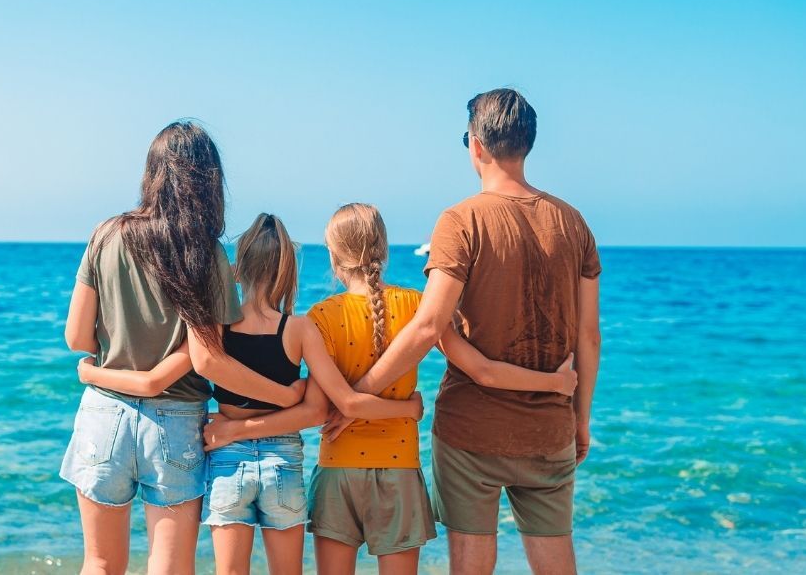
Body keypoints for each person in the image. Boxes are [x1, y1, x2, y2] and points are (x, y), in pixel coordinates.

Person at [208, 203, 576, 575]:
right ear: (383, 250)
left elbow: (321, 406)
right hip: (400, 470)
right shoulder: (418, 306)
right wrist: (554, 383)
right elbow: (481, 370)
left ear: (334, 256)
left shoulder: (320, 316)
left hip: (339, 471)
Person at [346, 89, 603, 575]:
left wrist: (358, 393)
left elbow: (427, 327)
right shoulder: (574, 224)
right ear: (527, 143)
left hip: (471, 430)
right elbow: (588, 338)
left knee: (470, 563)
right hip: (550, 428)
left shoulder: (460, 221)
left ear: (476, 145)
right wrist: (580, 418)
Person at [59, 121, 306, 575]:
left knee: (98, 562)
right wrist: (287, 396)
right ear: (209, 180)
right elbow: (208, 358)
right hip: (174, 422)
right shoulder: (206, 252)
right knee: (169, 566)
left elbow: (76, 338)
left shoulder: (106, 234)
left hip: (103, 415)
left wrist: (113, 362)